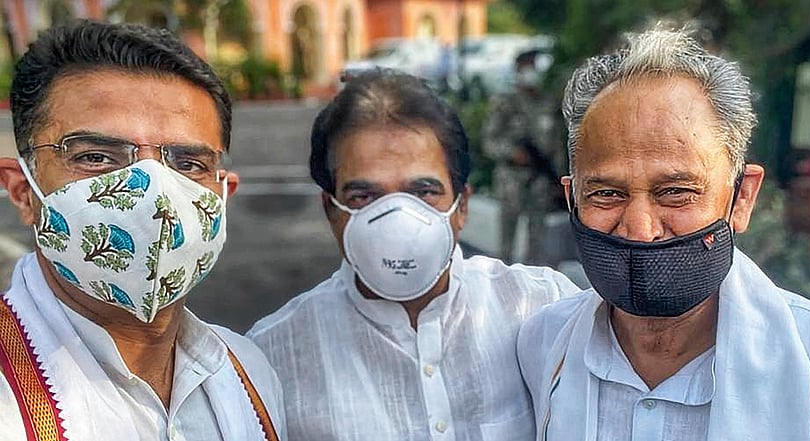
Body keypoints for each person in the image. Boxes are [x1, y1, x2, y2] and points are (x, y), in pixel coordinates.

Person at [517, 26, 810, 440]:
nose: (641, 230)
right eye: (607, 194)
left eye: (676, 192)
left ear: (742, 198)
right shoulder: (541, 348)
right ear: (573, 199)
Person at [248, 69, 580, 441]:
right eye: (364, 196)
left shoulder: (543, 309)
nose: (397, 219)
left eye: (423, 192)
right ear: (332, 211)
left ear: (461, 206)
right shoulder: (272, 358)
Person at [0, 21, 284, 440]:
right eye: (96, 157)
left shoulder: (247, 372)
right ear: (23, 192)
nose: (153, 194)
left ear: (222, 197)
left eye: (187, 164)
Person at [482, 49, 566, 263]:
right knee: (507, 242)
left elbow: (557, 145)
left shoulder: (547, 103)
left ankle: (533, 277)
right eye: (528, 67)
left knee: (538, 239)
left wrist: (559, 178)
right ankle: (503, 277)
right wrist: (512, 153)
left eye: (534, 66)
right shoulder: (505, 102)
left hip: (540, 180)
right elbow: (489, 142)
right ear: (518, 70)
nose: (532, 72)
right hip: (512, 180)